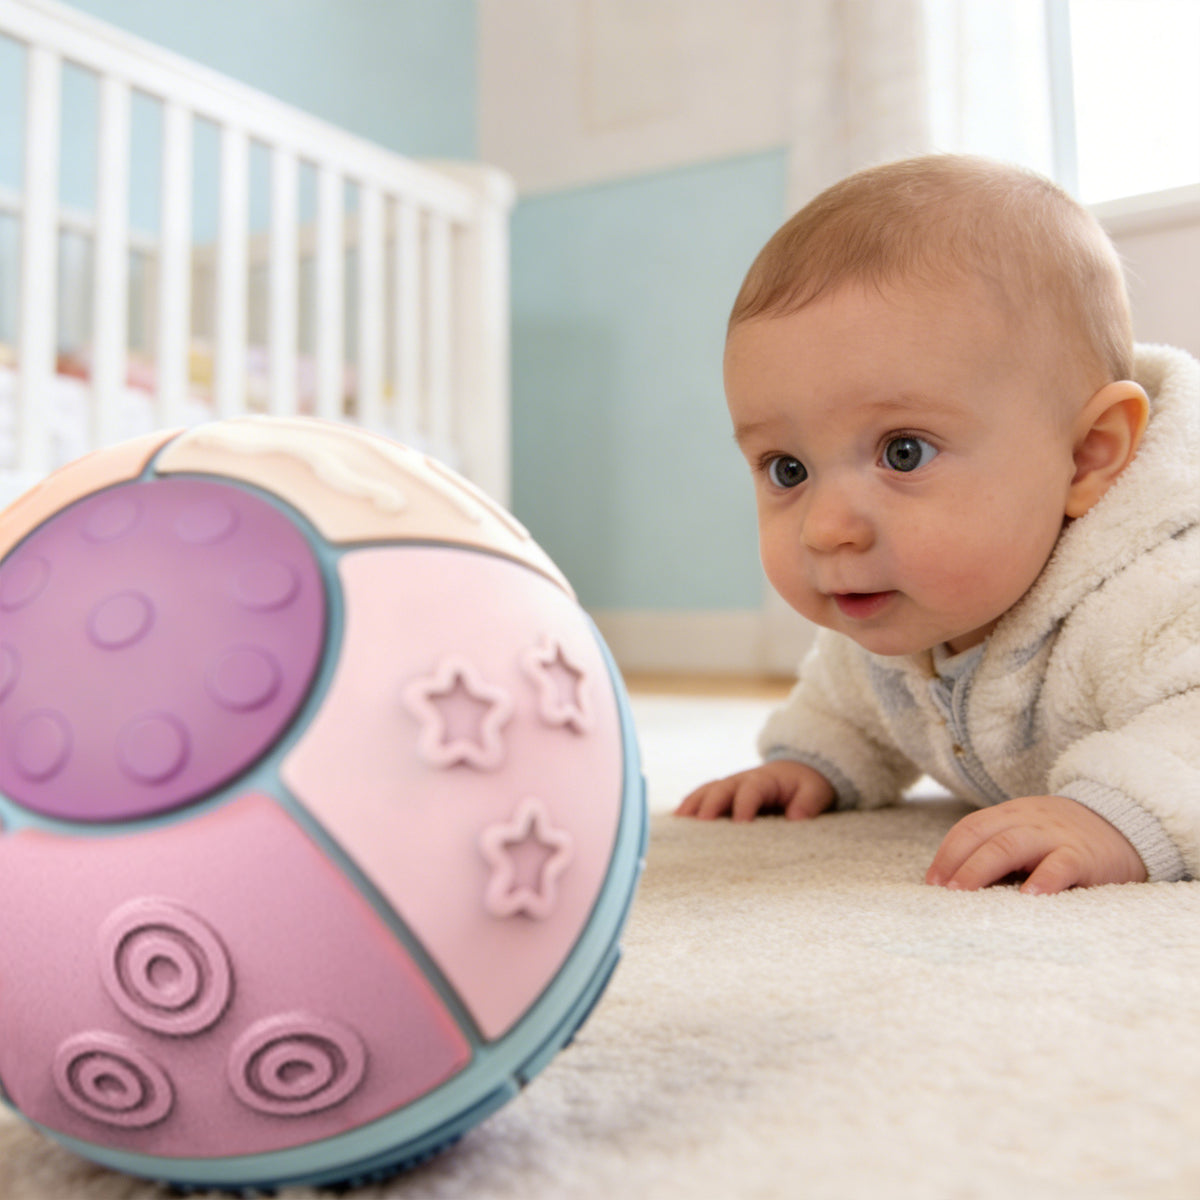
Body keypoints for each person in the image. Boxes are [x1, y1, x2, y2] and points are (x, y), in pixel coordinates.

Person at [676, 154, 1200, 895]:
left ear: (1086, 457)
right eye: (787, 469)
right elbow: (852, 700)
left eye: (903, 452)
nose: (827, 529)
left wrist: (1120, 814)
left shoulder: (1158, 597)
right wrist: (813, 760)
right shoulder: (896, 603)